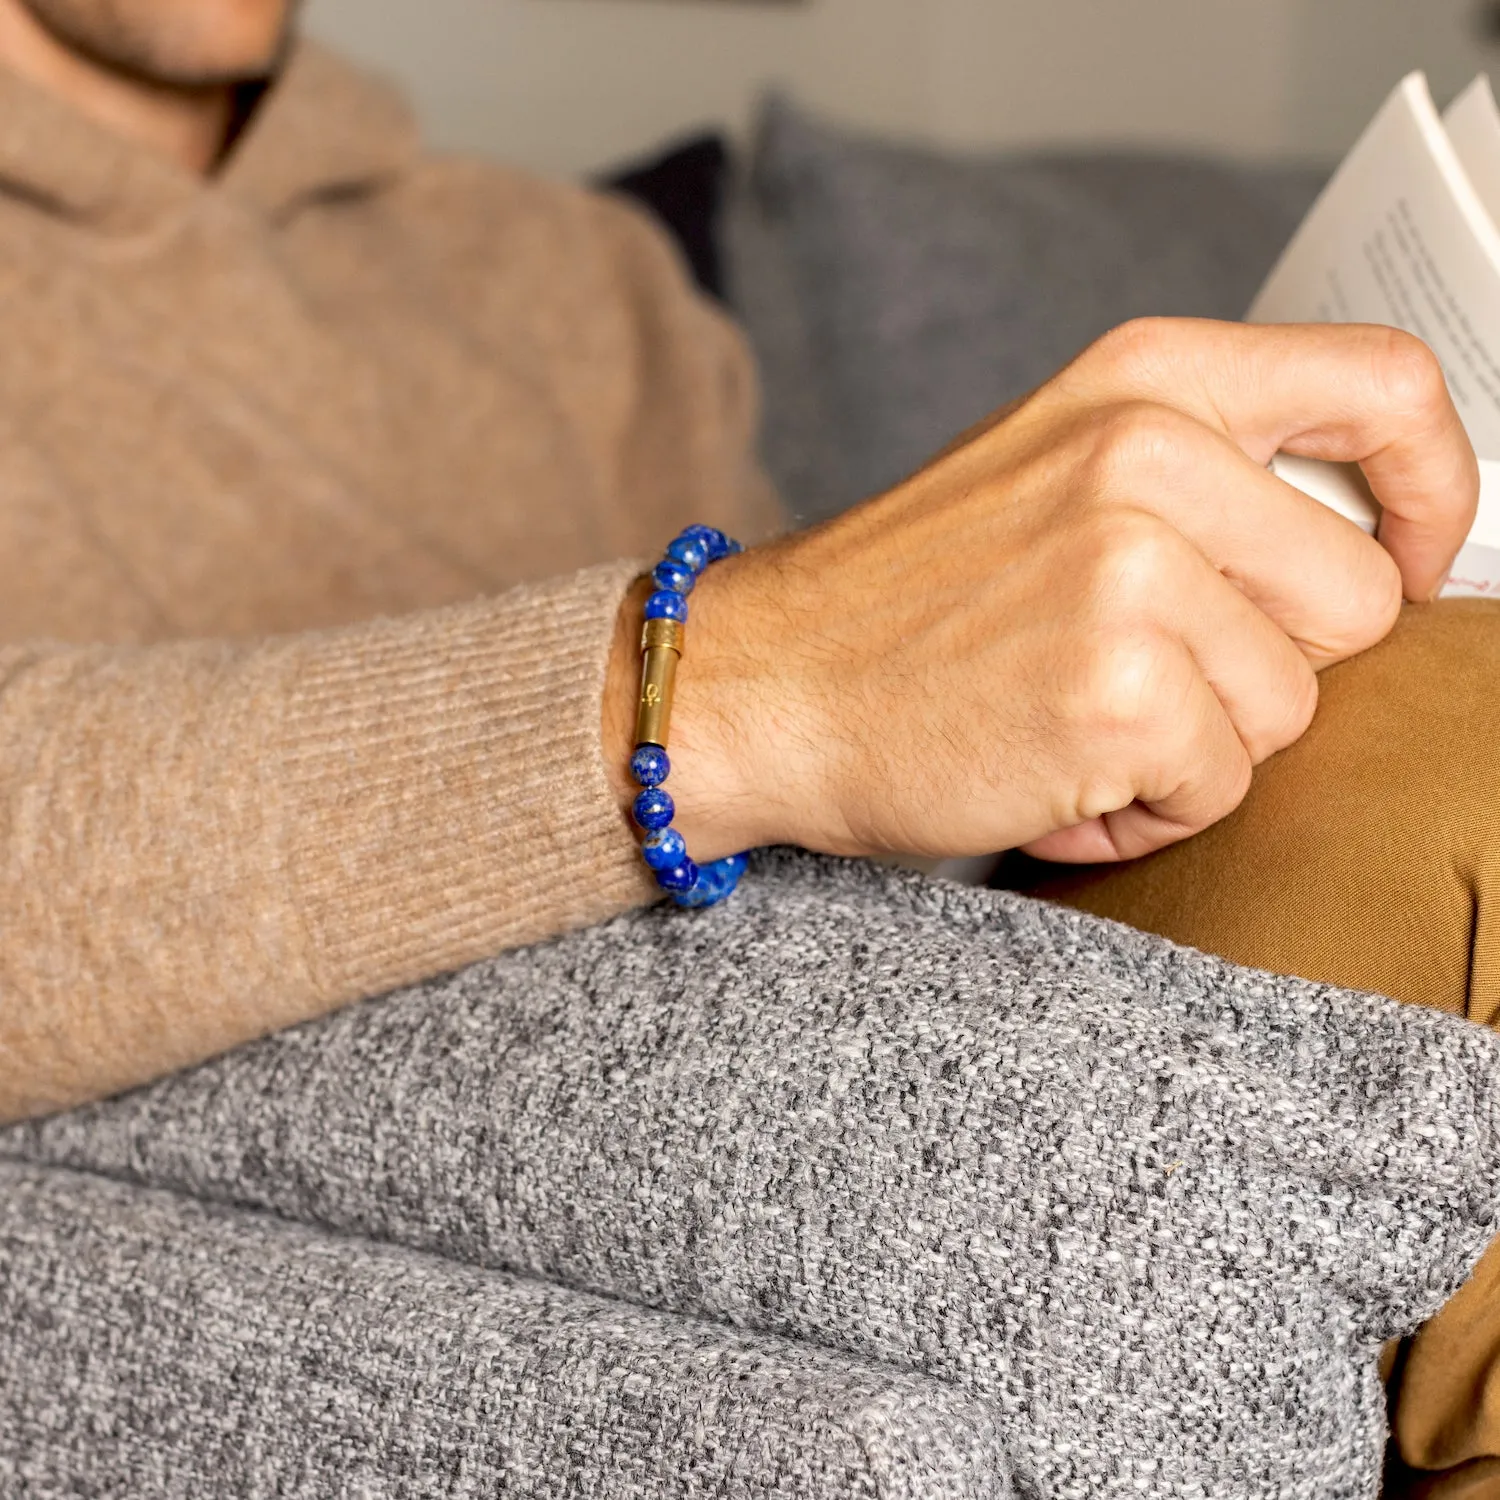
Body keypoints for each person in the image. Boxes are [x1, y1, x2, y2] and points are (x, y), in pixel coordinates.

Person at [0, 0, 1492, 1491]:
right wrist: (740, 674)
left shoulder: (573, 277)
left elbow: (823, 848)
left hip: (915, 1060)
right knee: (1431, 730)